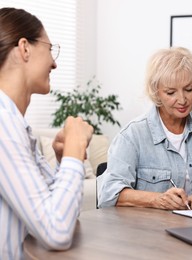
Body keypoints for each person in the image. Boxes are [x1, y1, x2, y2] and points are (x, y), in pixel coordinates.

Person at [0, 7, 94, 259]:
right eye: (50, 49)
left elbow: (65, 213)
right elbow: (56, 231)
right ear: (25, 48)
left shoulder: (17, 125)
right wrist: (75, 149)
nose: (54, 62)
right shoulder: (3, 124)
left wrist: (65, 161)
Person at [98, 47, 192, 210]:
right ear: (156, 93)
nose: (182, 99)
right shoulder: (132, 135)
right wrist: (156, 199)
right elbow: (108, 193)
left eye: (189, 89)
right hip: (148, 230)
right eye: (171, 92)